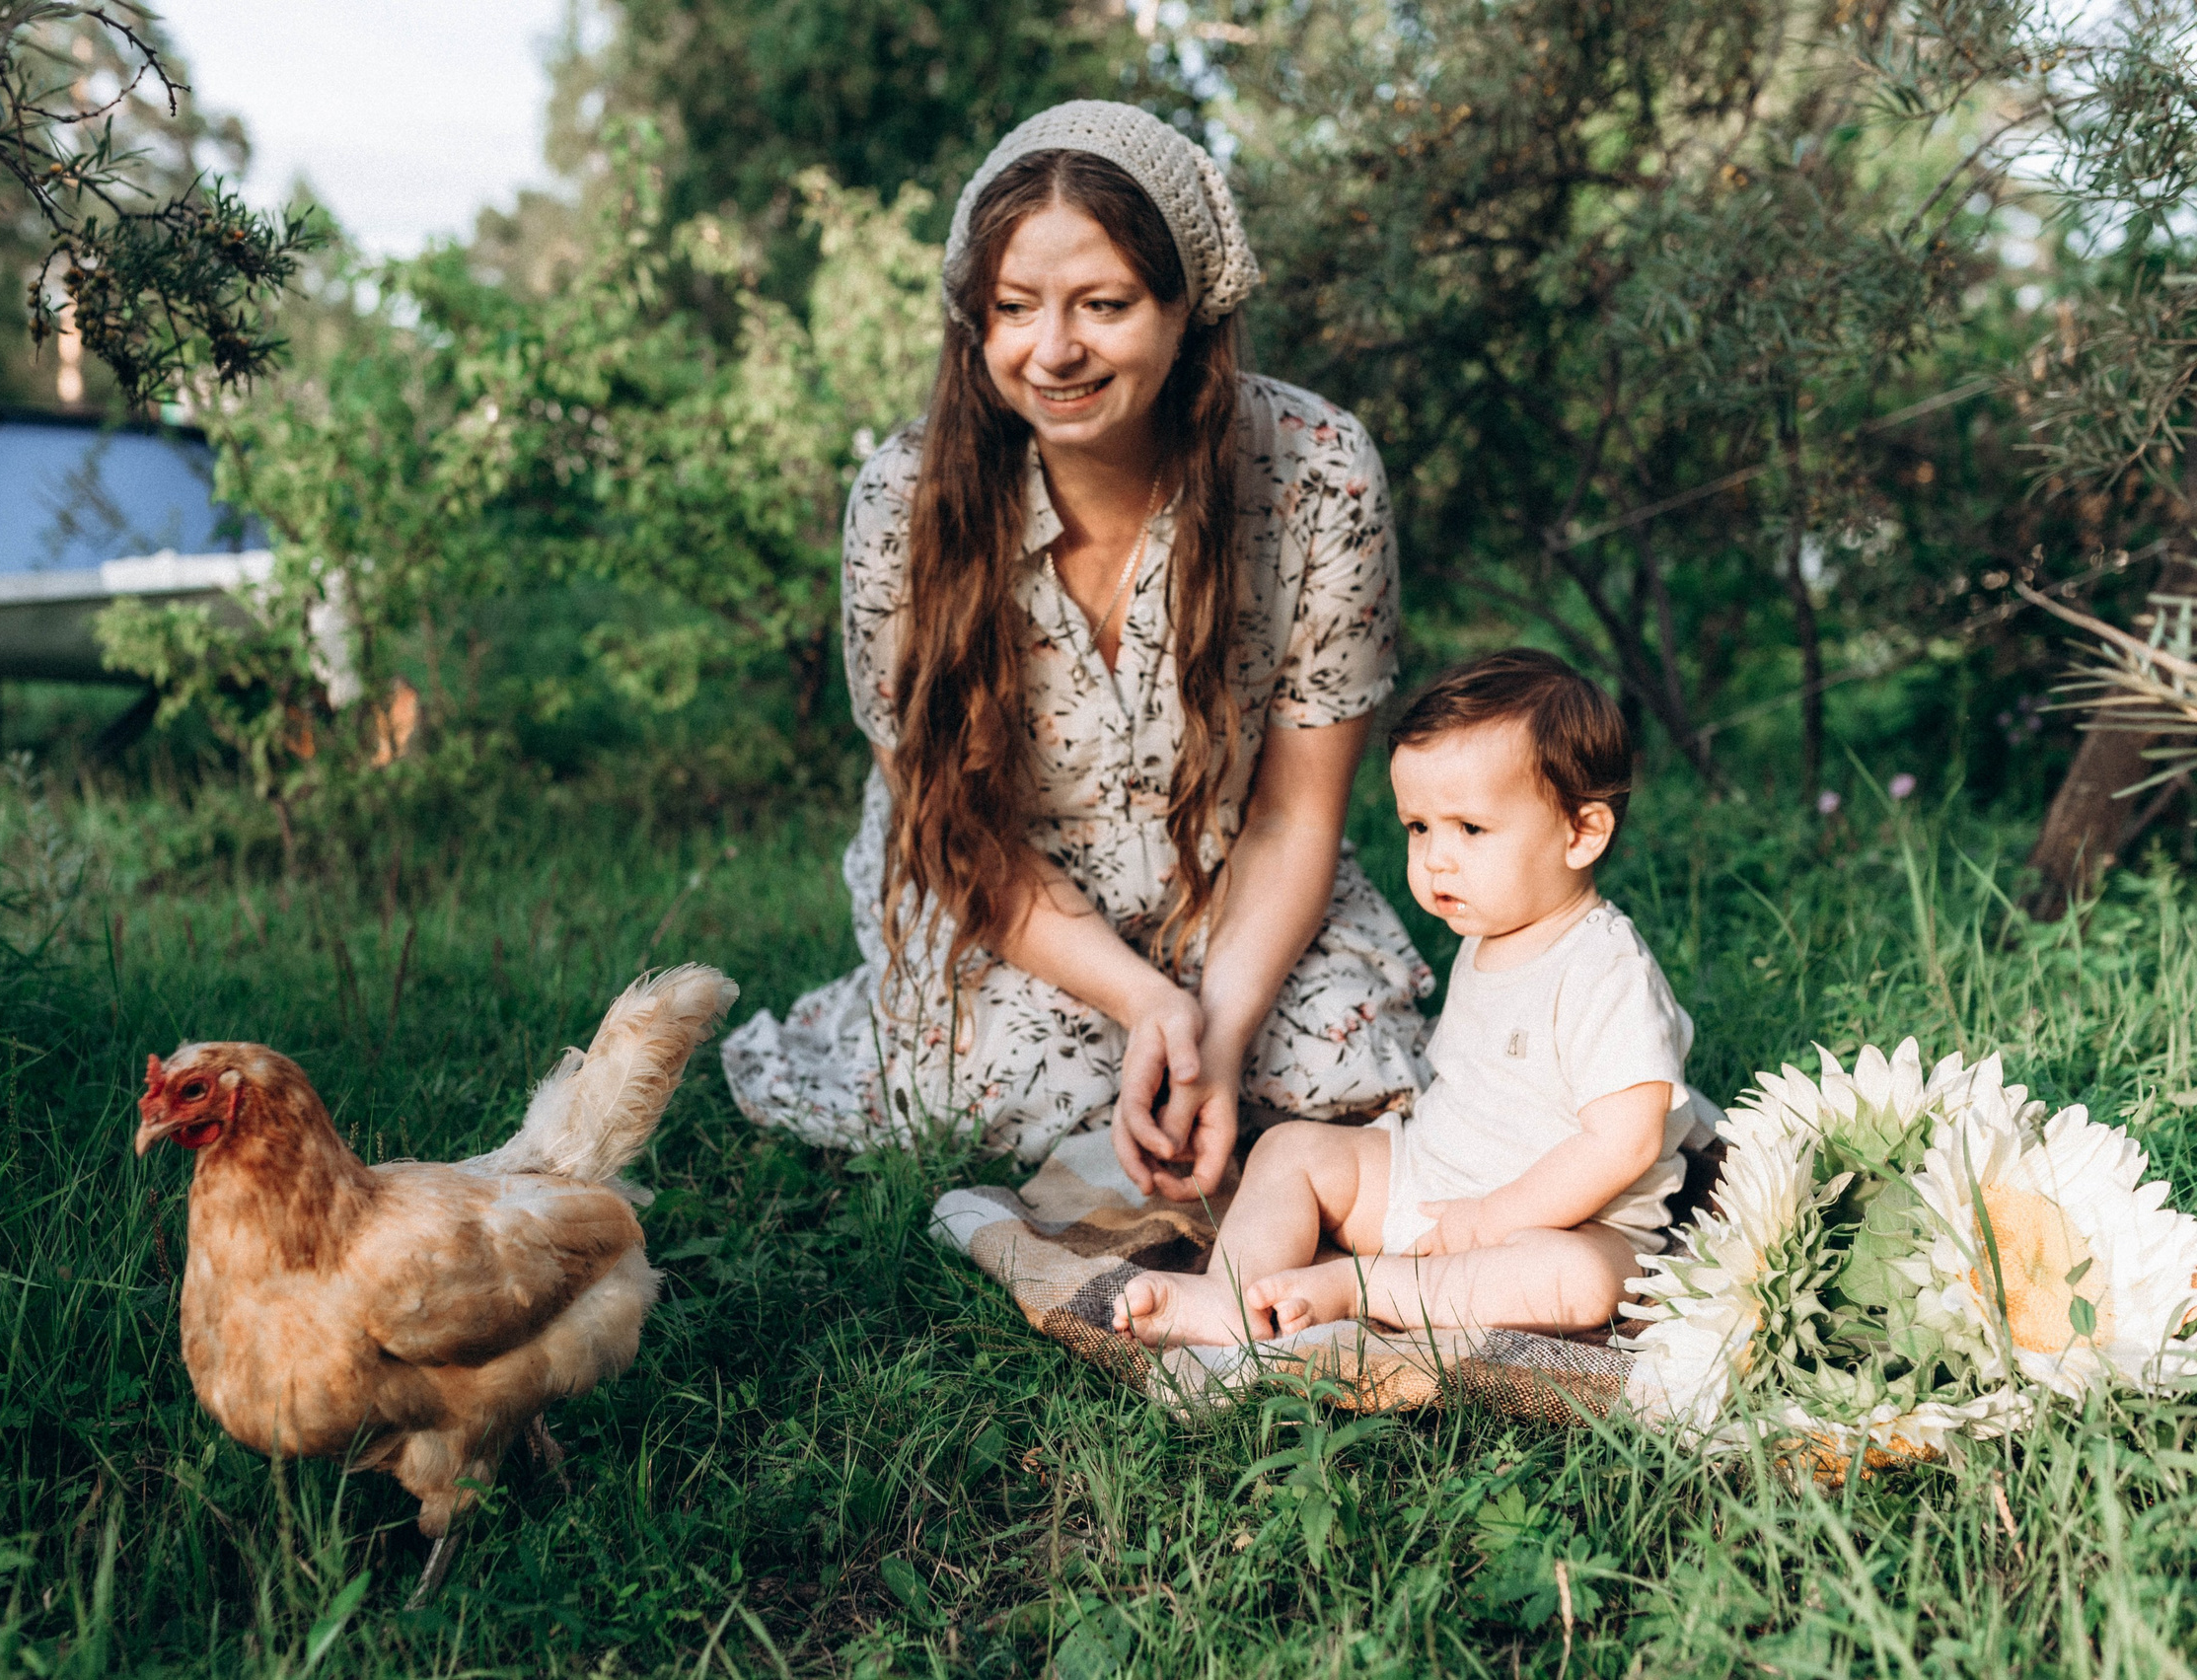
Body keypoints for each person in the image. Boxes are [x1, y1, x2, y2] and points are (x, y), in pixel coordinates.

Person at [723, 102, 1434, 1183]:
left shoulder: (1319, 470)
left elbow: (1294, 814)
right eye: (1014, 308)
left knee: (1340, 1072)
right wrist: (1146, 1000)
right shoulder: (904, 504)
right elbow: (955, 831)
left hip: (1229, 874)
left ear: (1187, 305)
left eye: (1103, 305)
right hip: (1005, 888)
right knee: (1037, 1095)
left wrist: (1217, 1032)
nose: (1053, 351)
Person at [1114, 650, 1720, 1346]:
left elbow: (1626, 1140)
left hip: (1567, 1222)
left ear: (1581, 833)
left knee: (1580, 1280)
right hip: (1428, 1176)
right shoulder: (1494, 928)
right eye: (1418, 827)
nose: (1435, 858)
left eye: (1470, 828)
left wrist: (1492, 1218)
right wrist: (1444, 1199)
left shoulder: (1606, 970)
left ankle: (1361, 1285)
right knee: (1289, 1150)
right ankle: (1229, 1295)